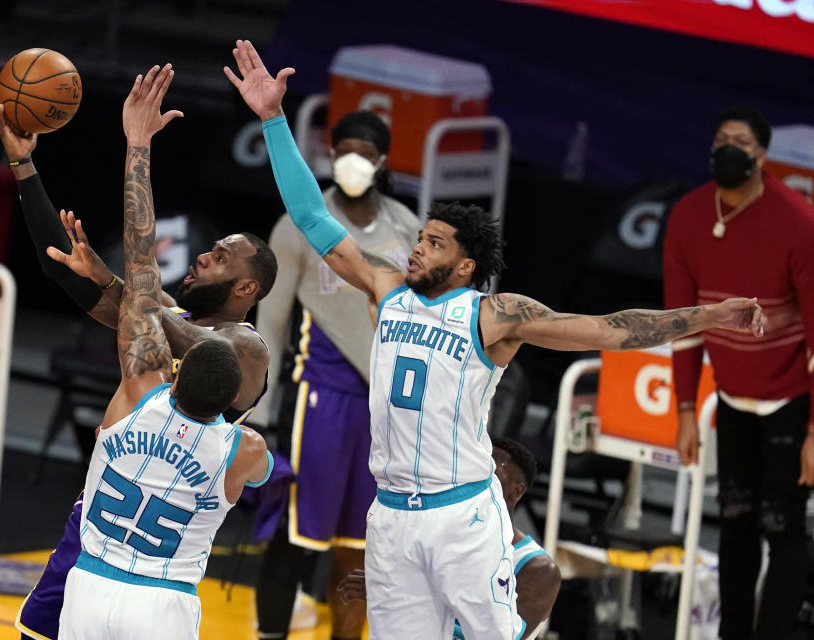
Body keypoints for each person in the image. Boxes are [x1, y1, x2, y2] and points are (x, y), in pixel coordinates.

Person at [223, 39, 765, 640]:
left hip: (461, 516)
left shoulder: (493, 315)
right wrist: (274, 119)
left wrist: (709, 317)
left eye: (434, 243)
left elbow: (611, 329)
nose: (417, 246)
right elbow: (309, 215)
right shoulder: (384, 286)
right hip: (394, 514)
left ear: (462, 268)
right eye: (420, 236)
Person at [0, 78, 278, 640]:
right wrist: (25, 168)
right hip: (98, 532)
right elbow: (56, 267)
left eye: (220, 258)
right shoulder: (171, 320)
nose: (201, 254)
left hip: (153, 560)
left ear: (246, 289)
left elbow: (153, 311)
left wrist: (124, 291)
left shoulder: (247, 355)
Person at [251, 110, 420, 640]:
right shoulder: (301, 222)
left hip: (384, 406)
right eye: (342, 149)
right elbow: (271, 322)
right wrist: (256, 411)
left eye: (364, 153)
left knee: (361, 543)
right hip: (319, 396)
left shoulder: (407, 226)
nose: (352, 161)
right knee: (299, 534)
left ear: (383, 161)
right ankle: (269, 631)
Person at [664, 105, 814, 640]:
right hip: (731, 399)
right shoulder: (686, 217)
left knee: (784, 529)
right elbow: (683, 326)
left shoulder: (798, 222)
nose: (729, 148)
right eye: (721, 138)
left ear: (762, 156)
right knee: (734, 524)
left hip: (791, 401)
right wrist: (685, 410)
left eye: (742, 141)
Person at [336, 437, 562, 640]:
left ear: (516, 490)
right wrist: (389, 592)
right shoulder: (435, 538)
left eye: (489, 470)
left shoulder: (539, 569)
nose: (475, 477)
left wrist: (398, 593)